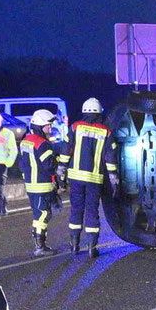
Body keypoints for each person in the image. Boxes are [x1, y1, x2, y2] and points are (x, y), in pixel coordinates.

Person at [64, 97, 118, 255]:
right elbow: (110, 157)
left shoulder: (75, 127)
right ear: (99, 113)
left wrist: (61, 171)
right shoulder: (105, 131)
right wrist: (114, 179)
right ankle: (91, 248)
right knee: (92, 211)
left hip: (75, 178)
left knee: (76, 209)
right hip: (95, 179)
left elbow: (66, 150)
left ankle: (74, 246)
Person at [17, 109, 64, 255]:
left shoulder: (26, 141)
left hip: (31, 184)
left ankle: (40, 245)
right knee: (43, 214)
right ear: (39, 126)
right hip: (42, 185)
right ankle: (40, 247)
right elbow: (49, 166)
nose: (50, 128)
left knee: (39, 214)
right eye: (47, 126)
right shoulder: (42, 143)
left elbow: (22, 163)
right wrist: (59, 161)